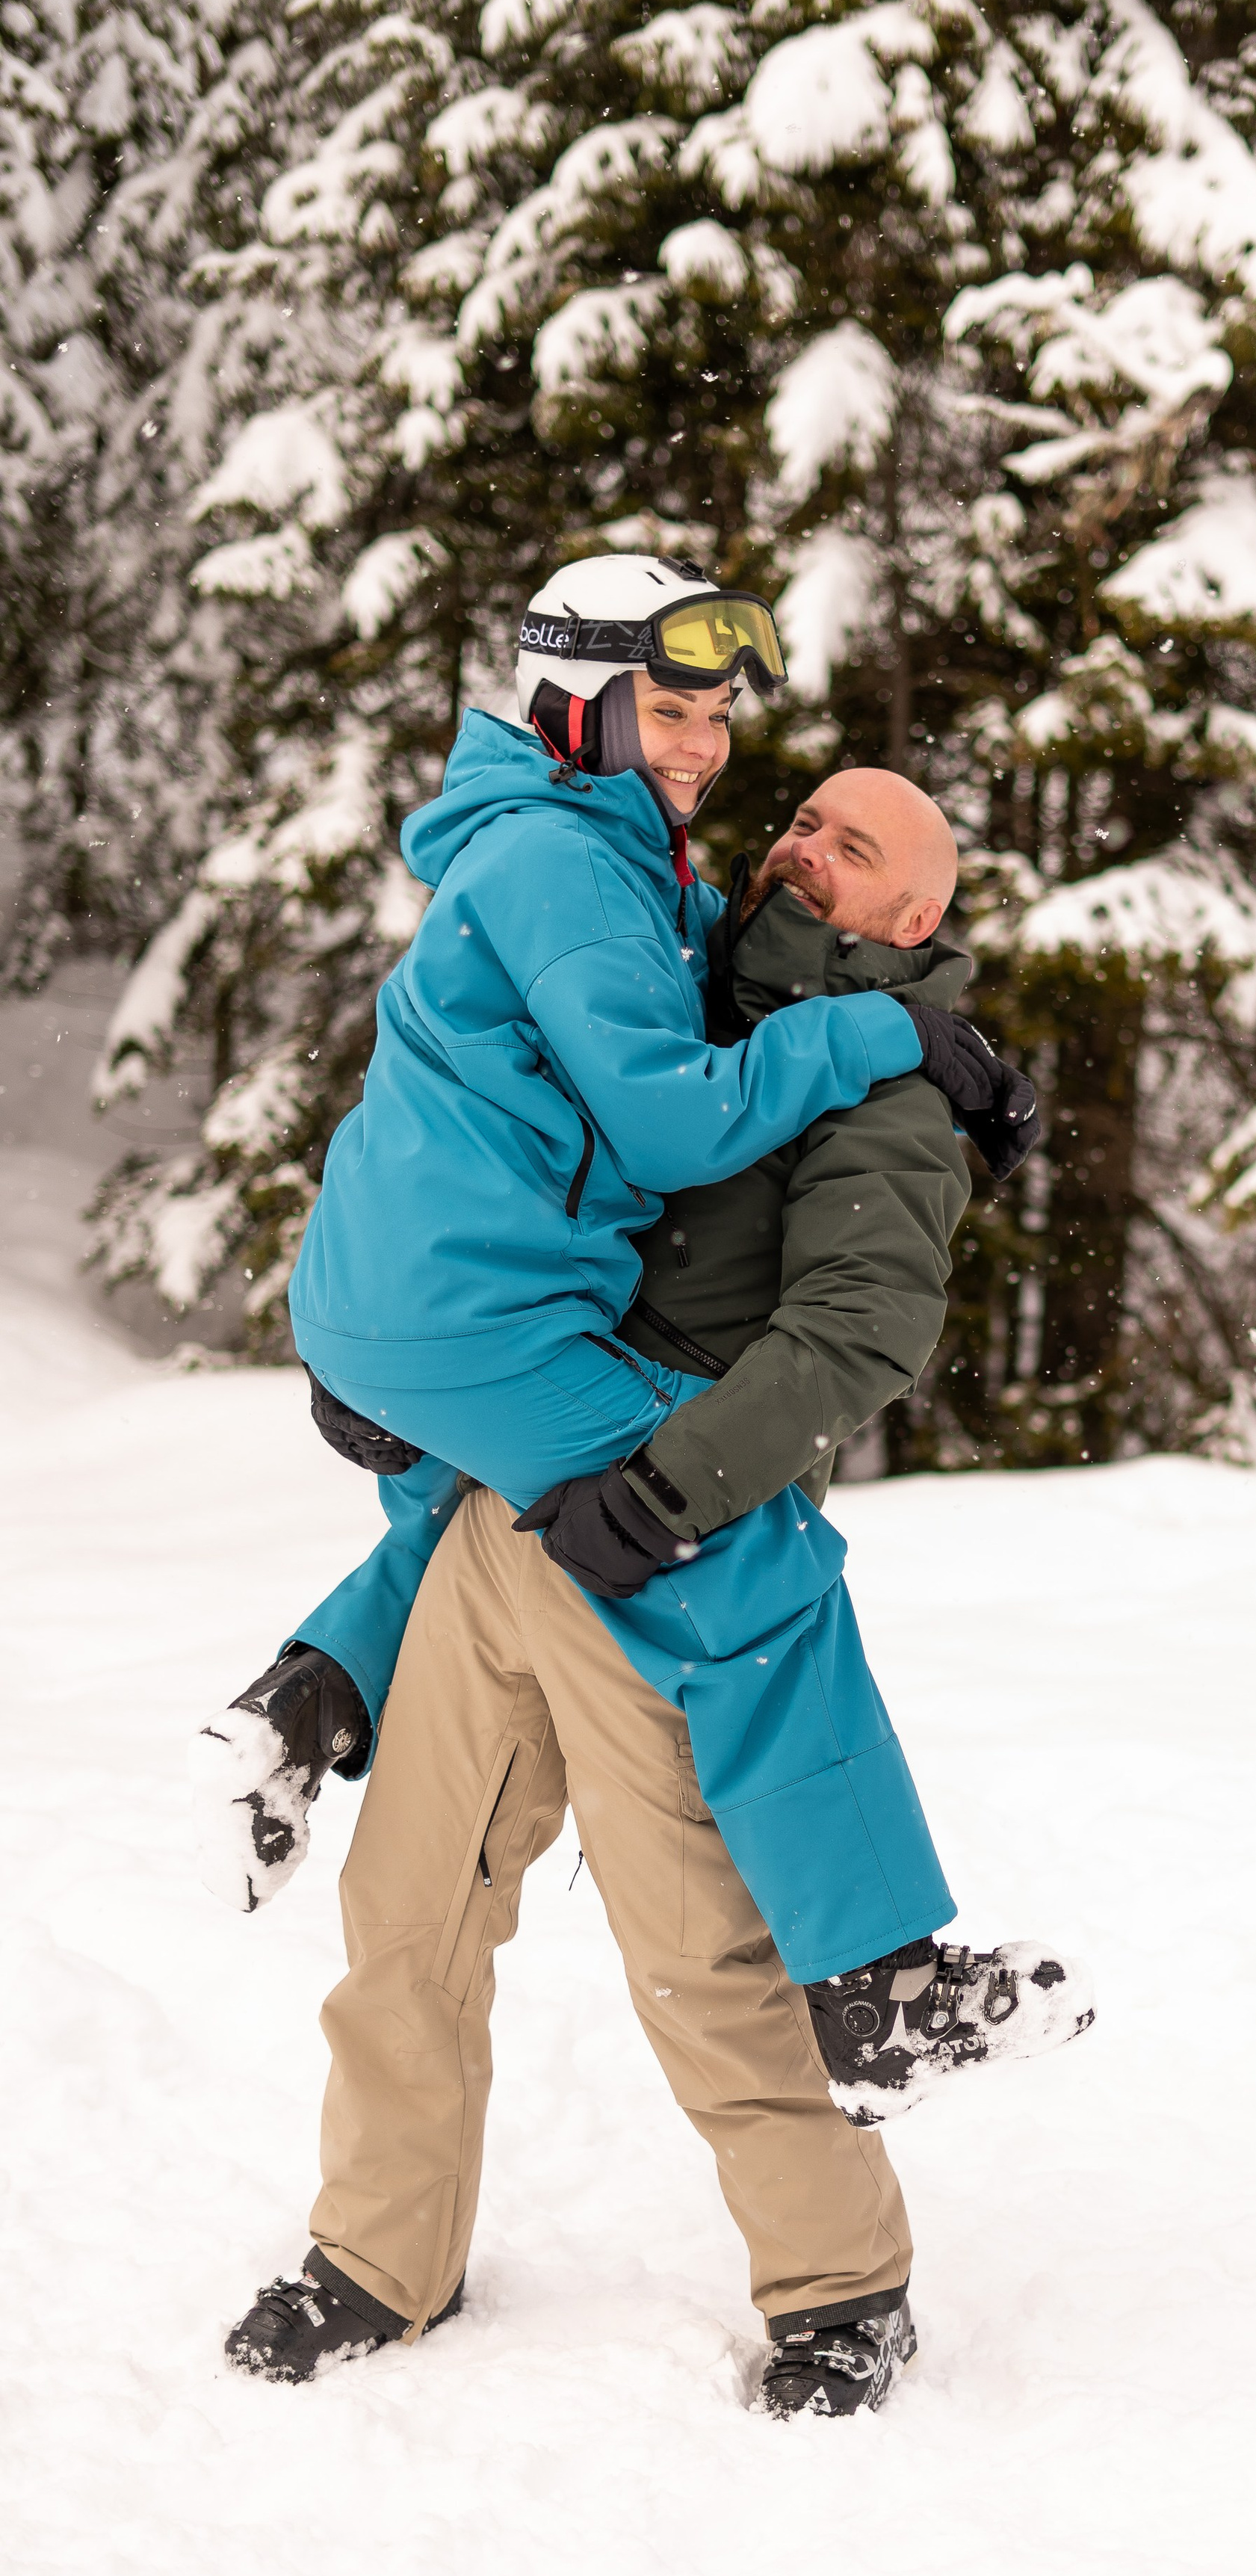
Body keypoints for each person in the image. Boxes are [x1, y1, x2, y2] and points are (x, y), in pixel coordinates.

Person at [208, 557, 1092, 2412]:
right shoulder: (673, 948)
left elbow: (850, 1343)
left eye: (855, 847)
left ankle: (841, 2285)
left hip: (651, 1529)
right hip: (521, 1503)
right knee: (410, 1916)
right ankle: (378, 2254)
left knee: (704, 1947)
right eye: (806, 816)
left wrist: (677, 1492)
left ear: (918, 916)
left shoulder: (885, 1093)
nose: (800, 843)